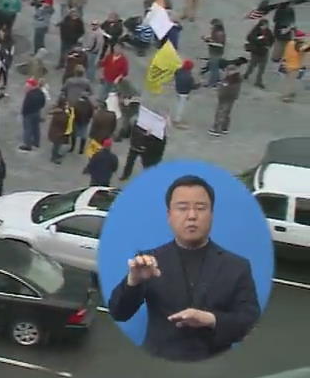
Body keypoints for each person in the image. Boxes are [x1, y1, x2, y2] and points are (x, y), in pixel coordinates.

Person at [108, 176, 259, 361]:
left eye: (201, 208)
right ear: (169, 216)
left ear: (212, 214)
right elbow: (119, 313)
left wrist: (211, 319)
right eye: (182, 208)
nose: (192, 216)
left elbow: (249, 322)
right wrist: (134, 282)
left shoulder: (237, 266)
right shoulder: (149, 262)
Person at [210, 69, 242, 137]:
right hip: (229, 99)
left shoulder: (231, 81)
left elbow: (226, 90)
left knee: (220, 113)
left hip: (225, 98)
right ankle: (224, 128)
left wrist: (221, 89)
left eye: (229, 71)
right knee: (226, 113)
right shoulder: (235, 80)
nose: (227, 72)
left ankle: (217, 129)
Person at [243, 19, 274, 88]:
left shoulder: (268, 31)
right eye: (264, 25)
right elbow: (250, 38)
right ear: (260, 25)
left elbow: (272, 39)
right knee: (252, 65)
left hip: (264, 52)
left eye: (267, 25)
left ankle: (258, 81)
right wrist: (262, 41)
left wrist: (269, 45)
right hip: (256, 52)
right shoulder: (255, 31)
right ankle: (246, 74)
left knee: (262, 68)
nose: (266, 26)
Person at [172, 60, 199, 128]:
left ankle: (176, 118)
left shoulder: (178, 71)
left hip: (178, 89)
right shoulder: (189, 77)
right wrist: (200, 84)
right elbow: (193, 86)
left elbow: (175, 75)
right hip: (184, 93)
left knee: (178, 104)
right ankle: (177, 119)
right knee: (181, 106)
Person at [48, 99, 74, 164]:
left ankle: (56, 154)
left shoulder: (60, 112)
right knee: (56, 145)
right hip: (58, 133)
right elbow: (64, 121)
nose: (67, 106)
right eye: (66, 104)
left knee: (58, 145)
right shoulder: (60, 114)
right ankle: (54, 158)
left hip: (58, 131)